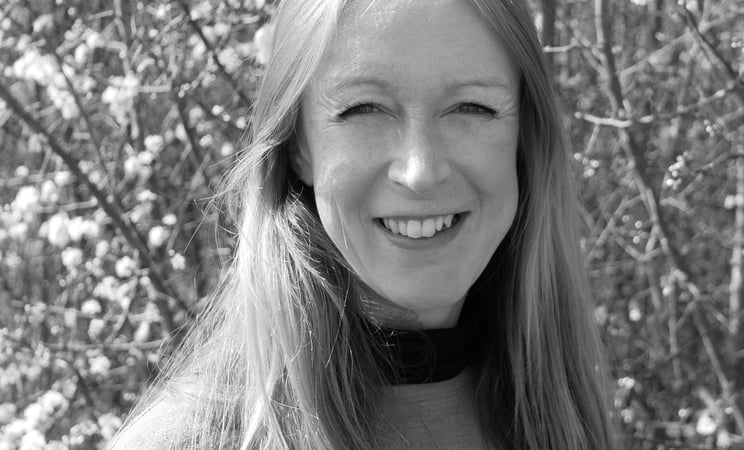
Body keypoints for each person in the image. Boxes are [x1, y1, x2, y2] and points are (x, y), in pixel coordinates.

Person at [113, 0, 617, 448]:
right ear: (298, 147)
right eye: (364, 109)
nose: (421, 171)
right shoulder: (189, 441)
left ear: (524, 140)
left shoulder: (565, 421)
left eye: (471, 106)